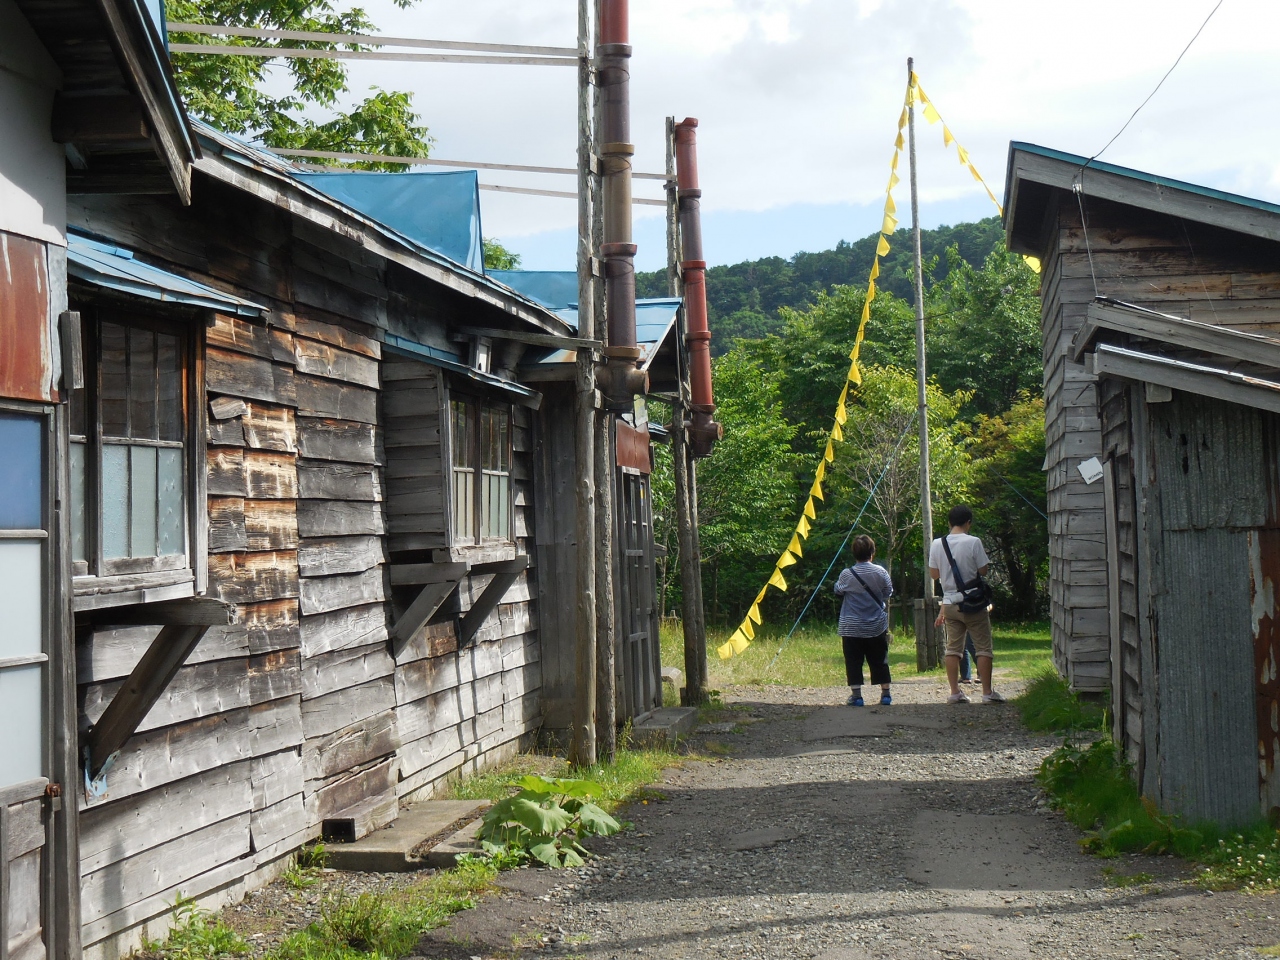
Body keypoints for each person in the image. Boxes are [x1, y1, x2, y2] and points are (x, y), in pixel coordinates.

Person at [928, 504, 1004, 705]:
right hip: (973, 603)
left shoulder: (937, 544)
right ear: (968, 522)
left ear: (949, 522)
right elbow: (984, 570)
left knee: (953, 647)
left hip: (950, 602)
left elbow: (934, 574)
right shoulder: (974, 542)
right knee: (983, 647)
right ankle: (987, 692)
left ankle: (955, 692)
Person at [834, 534, 894, 707]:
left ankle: (857, 696)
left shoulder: (847, 574)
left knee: (853, 660)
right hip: (876, 624)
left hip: (851, 626)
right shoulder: (880, 572)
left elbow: (838, 590)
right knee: (880, 659)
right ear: (872, 552)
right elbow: (888, 592)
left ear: (854, 553)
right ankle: (885, 694)